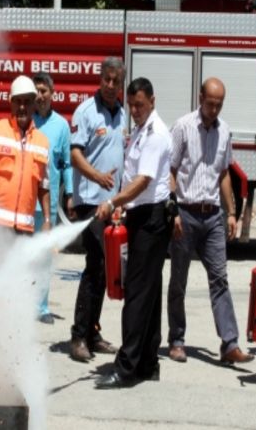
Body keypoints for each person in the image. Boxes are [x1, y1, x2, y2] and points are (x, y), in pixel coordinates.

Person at [166, 77, 254, 365]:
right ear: (200, 97)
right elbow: (171, 170)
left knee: (219, 279)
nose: (214, 110)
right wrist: (173, 210)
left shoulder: (224, 131)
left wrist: (231, 212)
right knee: (179, 279)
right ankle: (177, 340)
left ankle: (229, 344)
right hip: (186, 213)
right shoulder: (182, 127)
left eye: (219, 105)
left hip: (213, 214)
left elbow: (224, 173)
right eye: (210, 103)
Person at [93, 77, 173, 388]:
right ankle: (148, 364)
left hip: (151, 220)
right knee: (149, 296)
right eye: (132, 105)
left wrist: (113, 200)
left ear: (153, 101)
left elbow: (143, 181)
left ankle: (126, 369)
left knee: (138, 296)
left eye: (140, 104)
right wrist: (123, 207)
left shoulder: (156, 134)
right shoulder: (142, 130)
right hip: (142, 215)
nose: (135, 110)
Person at [68, 57, 127, 362]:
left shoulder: (122, 113)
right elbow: (75, 154)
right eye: (106, 79)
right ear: (100, 78)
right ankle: (78, 337)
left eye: (116, 81)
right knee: (96, 265)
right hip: (90, 201)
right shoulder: (86, 111)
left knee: (104, 270)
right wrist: (97, 177)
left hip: (111, 204)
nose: (110, 85)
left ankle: (91, 331)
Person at [0, 75, 51, 234]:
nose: (22, 107)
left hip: (24, 230)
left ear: (34, 104)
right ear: (10, 103)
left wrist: (47, 220)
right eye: (18, 101)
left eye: (27, 102)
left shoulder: (42, 142)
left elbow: (44, 187)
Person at [32, 72, 74, 324]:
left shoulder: (61, 126)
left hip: (48, 205)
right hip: (25, 203)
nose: (39, 96)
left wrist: (69, 194)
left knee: (45, 257)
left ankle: (42, 307)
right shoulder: (25, 121)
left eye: (43, 91)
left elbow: (66, 163)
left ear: (52, 93)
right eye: (36, 90)